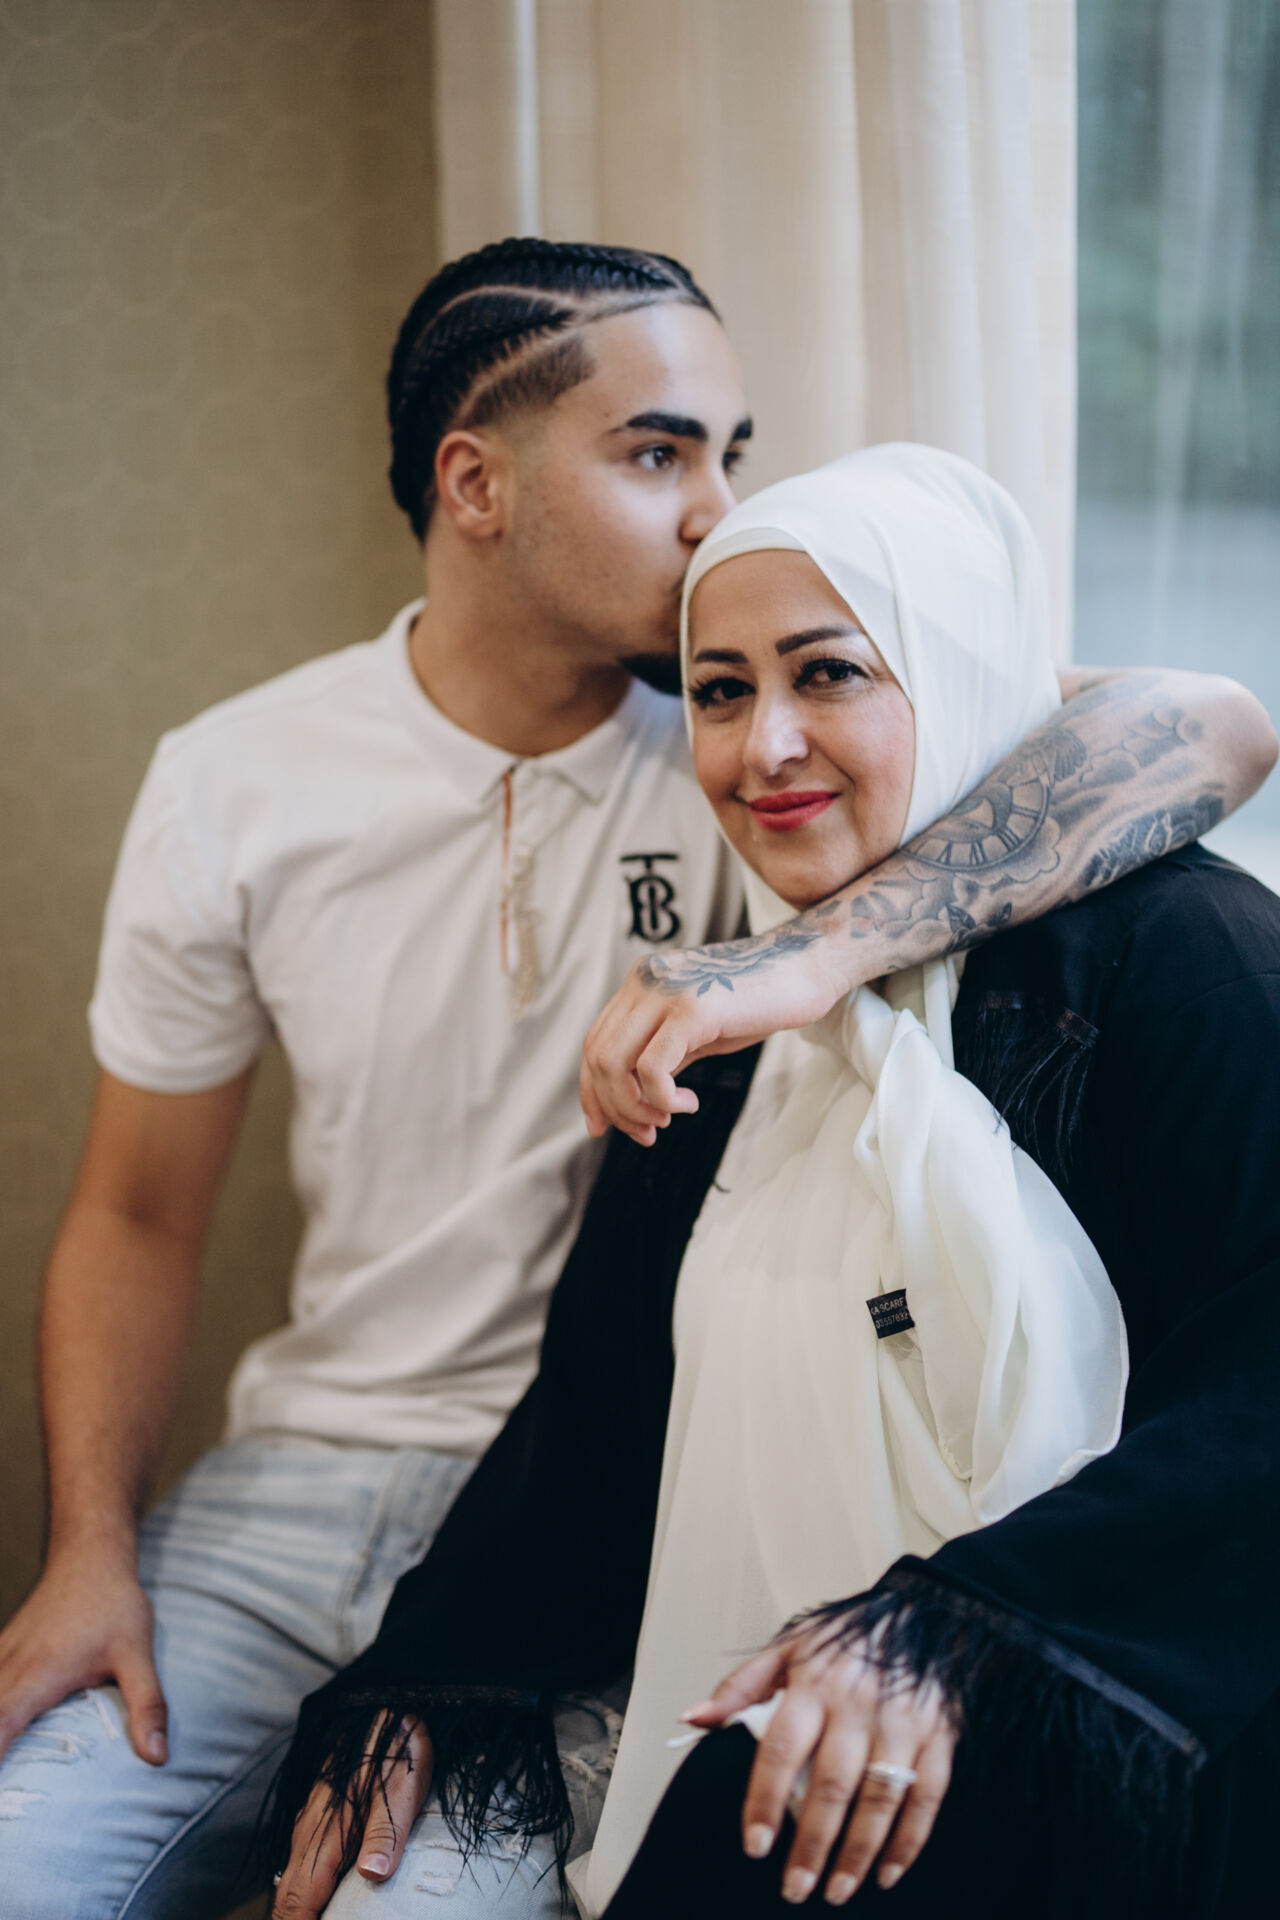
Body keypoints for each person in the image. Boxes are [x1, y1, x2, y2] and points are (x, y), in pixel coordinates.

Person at [0, 226, 1270, 1920]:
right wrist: (87, 1553)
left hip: (636, 1496)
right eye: (661, 453)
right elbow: (138, 1214)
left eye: (733, 454)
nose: (713, 509)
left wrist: (809, 951)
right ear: (474, 483)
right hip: (332, 1485)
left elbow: (1209, 721)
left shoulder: (757, 747)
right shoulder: (239, 779)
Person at [268, 447, 1280, 1920]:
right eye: (722, 691)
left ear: (959, 671)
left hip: (1083, 1669)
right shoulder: (725, 1030)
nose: (765, 748)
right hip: (732, 1677)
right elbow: (597, 1419)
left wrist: (949, 1633)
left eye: (832, 674)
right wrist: (431, 1673)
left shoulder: (1181, 962)